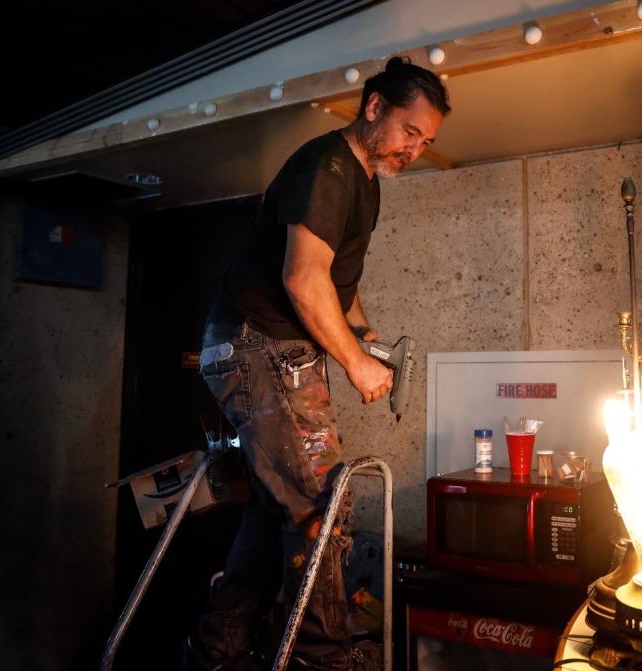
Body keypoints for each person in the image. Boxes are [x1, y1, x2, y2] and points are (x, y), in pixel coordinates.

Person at [186, 56, 450, 671]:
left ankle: (216, 647)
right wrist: (357, 363)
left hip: (274, 350)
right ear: (375, 106)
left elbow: (335, 279)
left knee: (276, 506)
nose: (415, 149)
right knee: (323, 505)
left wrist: (362, 331)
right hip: (258, 346)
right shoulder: (326, 167)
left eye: (427, 142)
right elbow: (304, 281)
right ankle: (322, 657)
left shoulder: (366, 182)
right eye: (410, 132)